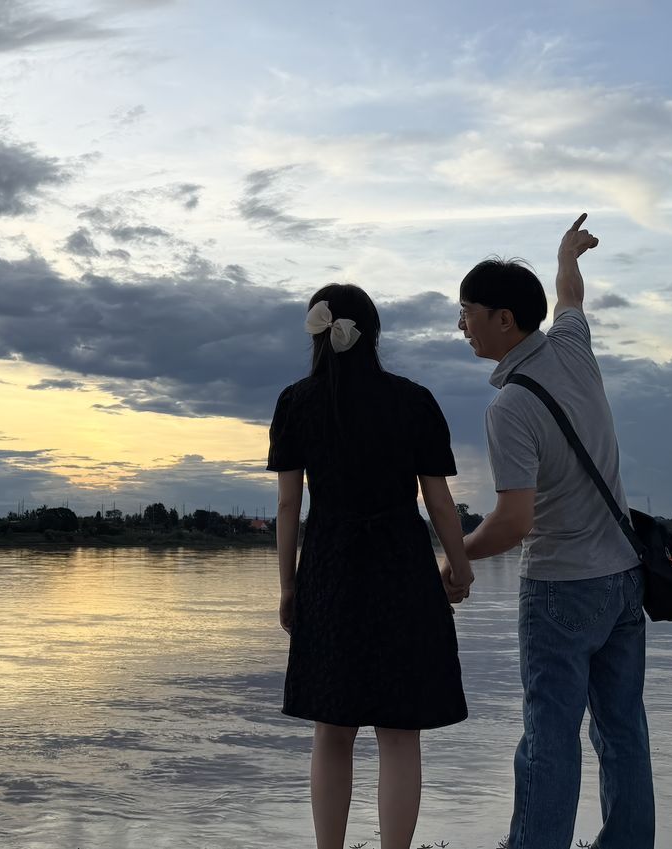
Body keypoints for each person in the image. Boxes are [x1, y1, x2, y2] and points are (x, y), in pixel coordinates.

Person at [459, 215, 654, 849]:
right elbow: (571, 297)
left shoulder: (510, 407)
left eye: (468, 313)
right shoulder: (573, 347)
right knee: (623, 732)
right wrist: (568, 254)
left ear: (504, 319)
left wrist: (456, 558)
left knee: (550, 738)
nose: (461, 325)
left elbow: (514, 522)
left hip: (561, 589)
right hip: (624, 580)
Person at [269, 282, 475, 849]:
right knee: (400, 732)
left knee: (331, 729)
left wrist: (288, 587)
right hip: (401, 568)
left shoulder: (295, 402)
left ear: (317, 333)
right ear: (375, 334)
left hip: (329, 569)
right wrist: (459, 566)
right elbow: (439, 502)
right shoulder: (413, 400)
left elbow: (288, 506)